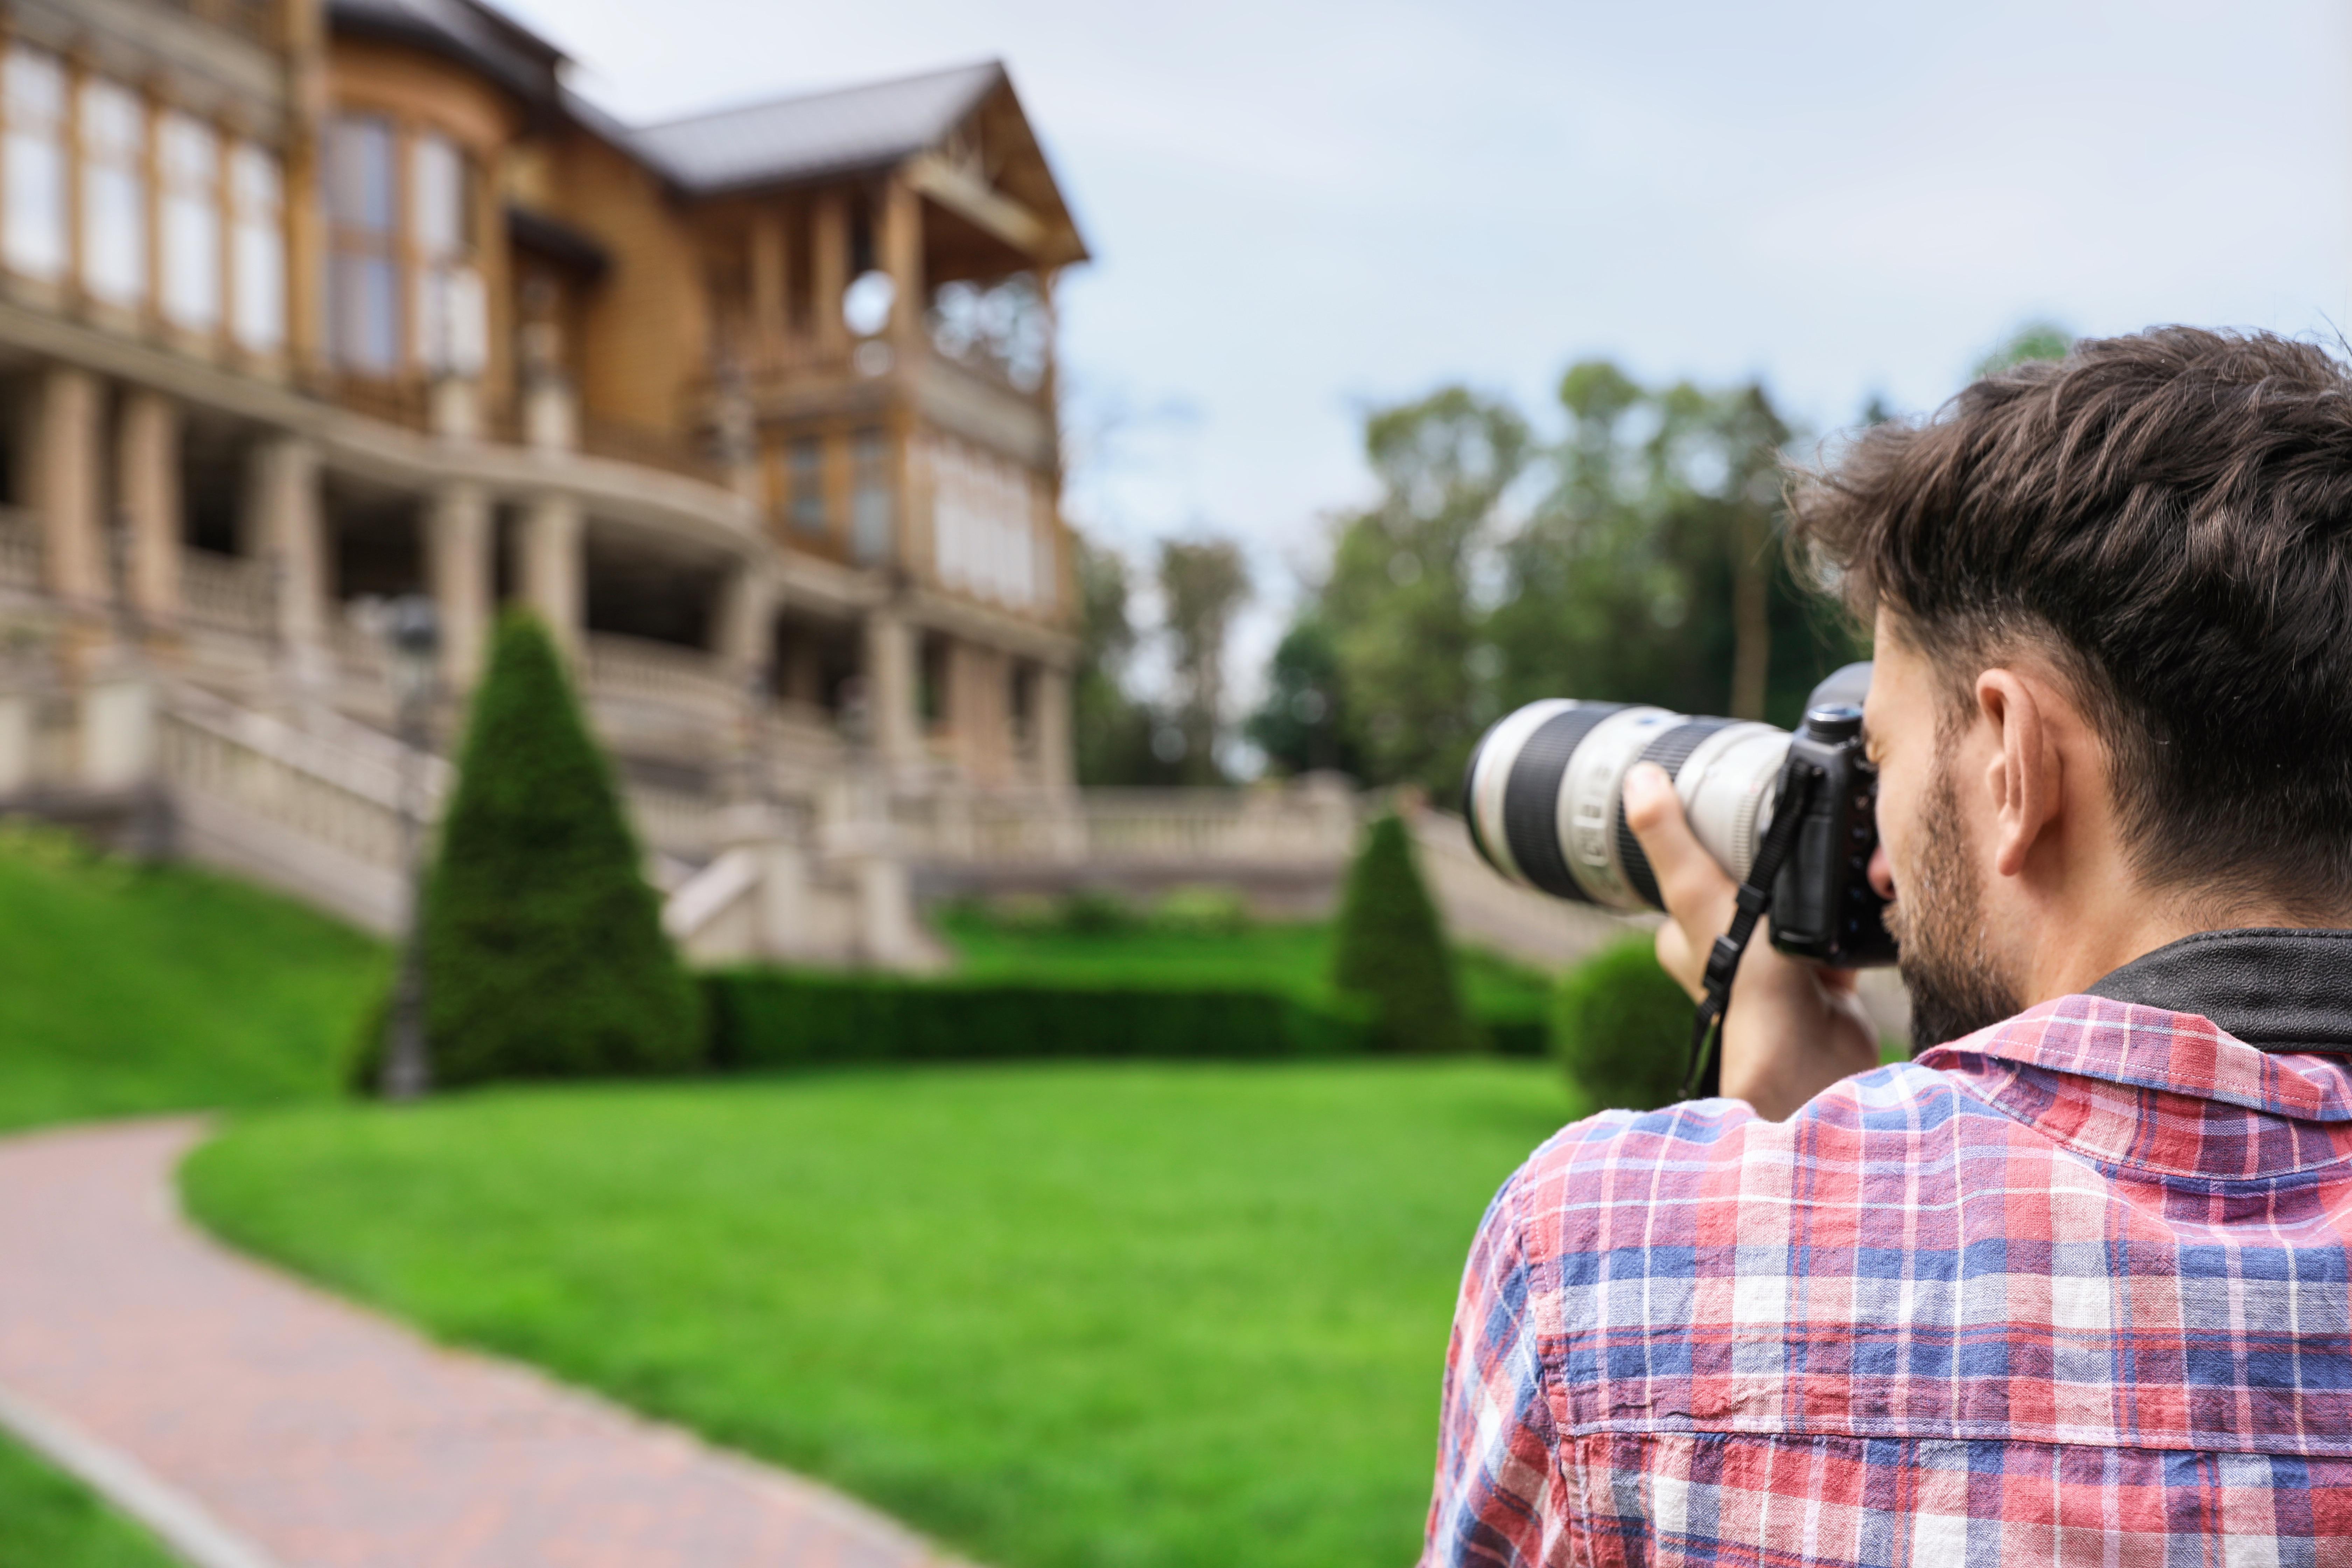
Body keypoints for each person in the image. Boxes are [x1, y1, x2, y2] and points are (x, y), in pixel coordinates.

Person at [1421, 327, 2352, 1565]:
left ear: (2013, 762)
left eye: (1883, 762)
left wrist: (1781, 1184)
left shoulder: (1606, 1263)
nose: (1877, 866)